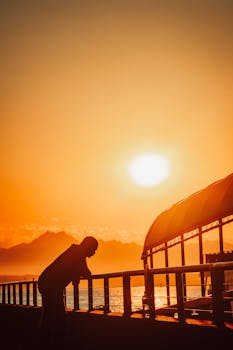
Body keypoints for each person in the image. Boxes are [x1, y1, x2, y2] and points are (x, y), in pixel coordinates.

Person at [37, 236, 98, 348]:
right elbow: (86, 272)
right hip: (52, 285)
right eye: (94, 249)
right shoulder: (78, 253)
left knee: (49, 316)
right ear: (87, 246)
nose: (94, 253)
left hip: (47, 282)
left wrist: (76, 275)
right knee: (59, 319)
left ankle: (43, 343)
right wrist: (78, 275)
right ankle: (55, 345)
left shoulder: (76, 251)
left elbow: (77, 269)